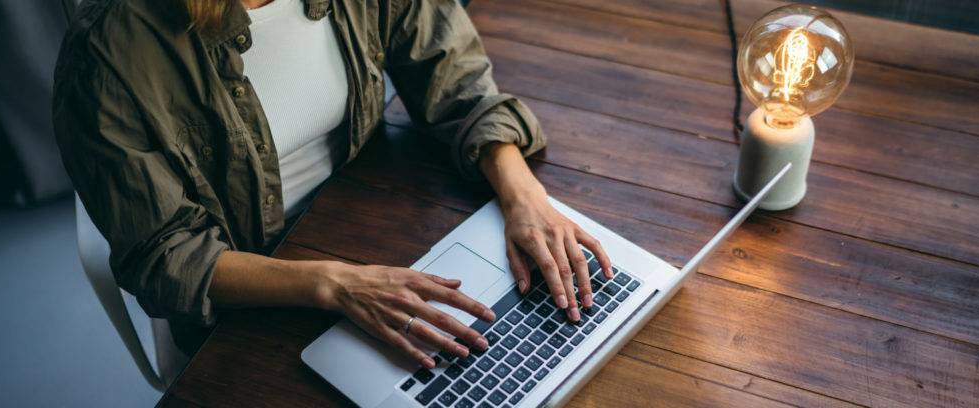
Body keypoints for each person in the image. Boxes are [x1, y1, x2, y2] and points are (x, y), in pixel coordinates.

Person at [53, 0, 612, 369]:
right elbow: (165, 257)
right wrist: (335, 284)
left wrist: (523, 195)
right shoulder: (109, 50)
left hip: (367, 229)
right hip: (252, 306)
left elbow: (456, 80)